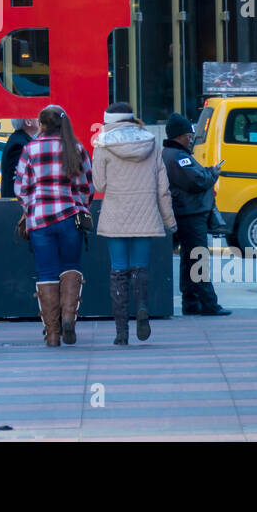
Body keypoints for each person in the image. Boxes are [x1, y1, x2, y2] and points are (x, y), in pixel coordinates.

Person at [91, 102, 176, 345]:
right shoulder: (150, 142)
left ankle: (121, 333)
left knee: (118, 270)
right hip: (146, 215)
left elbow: (99, 185)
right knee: (140, 269)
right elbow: (163, 189)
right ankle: (142, 309)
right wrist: (169, 221)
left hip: (116, 215)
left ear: (109, 121)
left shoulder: (103, 144)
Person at [14, 104, 93, 347]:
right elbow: (87, 186)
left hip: (40, 221)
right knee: (70, 267)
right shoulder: (76, 148)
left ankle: (52, 334)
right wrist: (79, 204)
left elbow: (20, 188)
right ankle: (68, 318)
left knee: (46, 273)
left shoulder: (30, 149)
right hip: (70, 217)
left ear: (41, 124)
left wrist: (31, 207)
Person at [162, 112, 231, 317]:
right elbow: (197, 181)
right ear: (179, 136)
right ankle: (209, 304)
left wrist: (206, 172)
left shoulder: (172, 154)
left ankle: (191, 303)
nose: (191, 138)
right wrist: (213, 173)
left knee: (188, 259)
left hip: (184, 213)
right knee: (199, 259)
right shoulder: (178, 157)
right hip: (191, 215)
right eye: (188, 135)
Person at [0, 117, 37, 199]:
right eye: (36, 115)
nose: (40, 119)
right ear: (28, 121)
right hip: (17, 204)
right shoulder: (19, 144)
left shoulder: (21, 140)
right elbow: (20, 179)